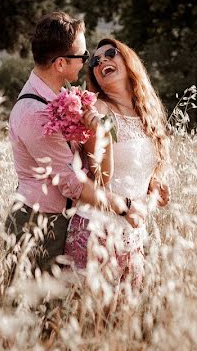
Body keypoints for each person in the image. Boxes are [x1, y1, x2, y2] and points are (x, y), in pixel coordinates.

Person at [5, 13, 143, 284]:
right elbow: (72, 184)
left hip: (60, 219)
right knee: (34, 314)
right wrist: (124, 206)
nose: (87, 61)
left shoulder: (56, 98)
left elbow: (92, 170)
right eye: (83, 55)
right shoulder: (35, 112)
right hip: (39, 223)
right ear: (60, 63)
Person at [64, 38, 170, 288]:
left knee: (124, 322)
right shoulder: (98, 109)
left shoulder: (147, 112)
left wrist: (154, 188)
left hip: (133, 233)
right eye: (95, 61)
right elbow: (101, 179)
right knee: (93, 322)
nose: (102, 61)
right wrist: (101, 135)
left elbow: (142, 169)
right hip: (96, 231)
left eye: (110, 53)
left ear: (127, 59)